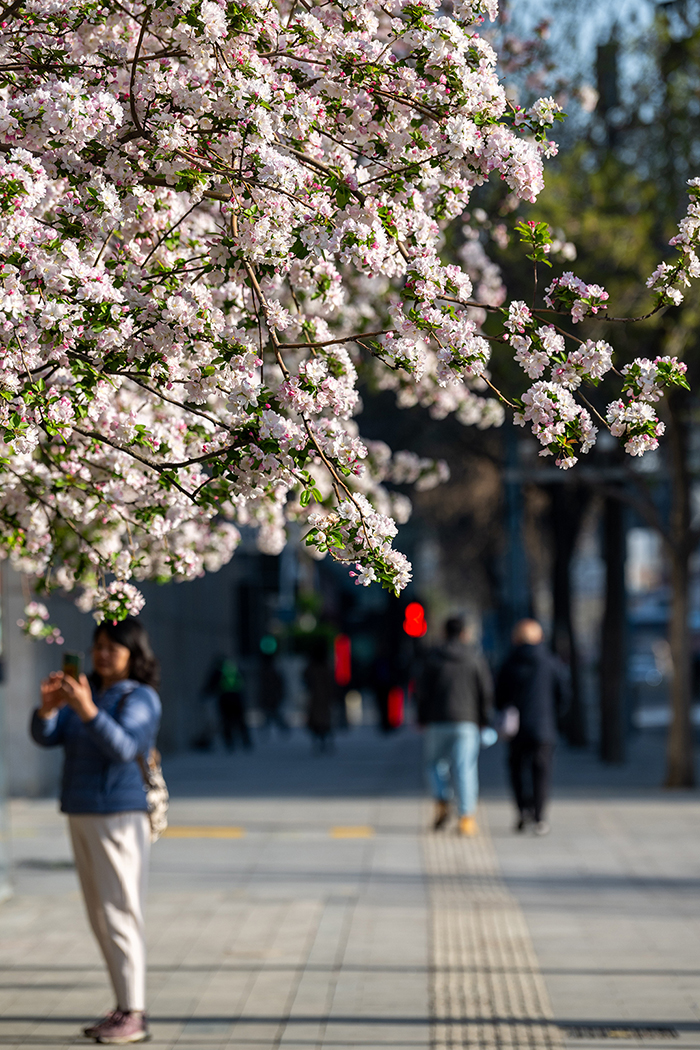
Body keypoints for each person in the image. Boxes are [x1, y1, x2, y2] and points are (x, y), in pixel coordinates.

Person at [30, 617, 161, 1044]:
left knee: (121, 913)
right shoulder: (89, 691)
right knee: (101, 917)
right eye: (98, 646)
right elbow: (47, 737)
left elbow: (125, 747)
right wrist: (49, 709)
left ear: (133, 653)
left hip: (119, 815)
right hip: (82, 810)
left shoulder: (140, 697)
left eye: (113, 647)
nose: (102, 654)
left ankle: (134, 1012)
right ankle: (124, 1005)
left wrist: (86, 710)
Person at [417, 616, 494, 836]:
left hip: (436, 721)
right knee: (465, 768)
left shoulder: (433, 658)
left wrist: (422, 718)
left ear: (444, 632)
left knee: (433, 764)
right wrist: (484, 720)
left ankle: (442, 800)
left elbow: (422, 691)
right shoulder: (475, 658)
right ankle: (466, 818)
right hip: (467, 722)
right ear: (464, 633)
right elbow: (485, 692)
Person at [496, 618, 571, 836]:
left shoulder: (509, 662)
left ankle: (522, 811)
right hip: (544, 726)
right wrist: (555, 714)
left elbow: (499, 696)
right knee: (542, 772)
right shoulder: (550, 662)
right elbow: (563, 693)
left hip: (516, 727)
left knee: (517, 770)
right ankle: (540, 817)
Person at [204, 656, 252, 751]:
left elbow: (210, 685)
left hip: (225, 699)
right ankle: (246, 741)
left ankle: (229, 743)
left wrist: (204, 694)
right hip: (237, 698)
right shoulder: (235, 669)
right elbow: (243, 682)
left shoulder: (218, 671)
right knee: (240, 721)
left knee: (226, 721)